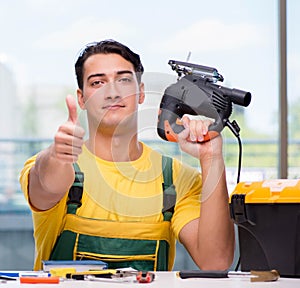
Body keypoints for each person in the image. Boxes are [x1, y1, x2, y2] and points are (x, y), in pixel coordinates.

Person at [19, 39, 234, 271]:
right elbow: (45, 187)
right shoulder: (59, 166)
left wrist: (211, 159)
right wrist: (56, 155)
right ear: (81, 98)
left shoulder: (174, 178)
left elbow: (215, 262)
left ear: (141, 92)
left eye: (123, 80)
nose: (112, 92)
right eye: (98, 82)